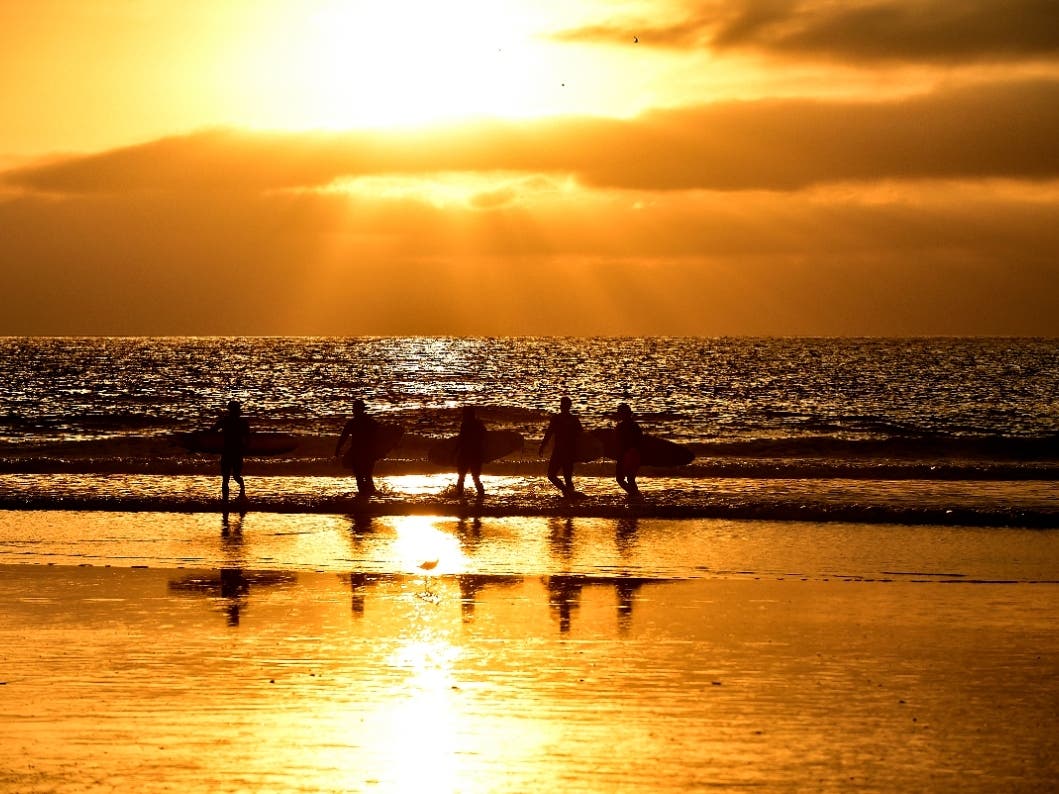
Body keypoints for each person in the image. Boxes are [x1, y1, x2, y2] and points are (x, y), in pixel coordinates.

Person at [539, 396, 583, 496]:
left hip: (560, 452)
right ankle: (569, 493)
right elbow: (582, 437)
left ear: (561, 406)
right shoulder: (573, 419)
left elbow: (549, 433)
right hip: (570, 452)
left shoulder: (557, 418)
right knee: (567, 478)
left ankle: (567, 493)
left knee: (551, 475)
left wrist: (542, 446)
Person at [335, 399, 380, 496]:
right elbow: (382, 435)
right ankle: (370, 496)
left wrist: (337, 449)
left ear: (356, 410)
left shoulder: (353, 423)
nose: (354, 411)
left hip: (359, 452)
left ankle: (364, 496)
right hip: (368, 453)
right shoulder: (370, 422)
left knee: (360, 476)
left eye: (355, 409)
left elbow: (344, 437)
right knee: (367, 475)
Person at [211, 400, 249, 502]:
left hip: (228, 452)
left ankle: (226, 500)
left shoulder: (225, 421)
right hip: (235, 452)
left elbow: (212, 431)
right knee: (234, 476)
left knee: (227, 478)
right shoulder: (242, 422)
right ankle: (241, 493)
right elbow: (248, 438)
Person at [455, 405, 486, 497]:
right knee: (475, 477)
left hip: (465, 453)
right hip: (477, 453)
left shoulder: (465, 425)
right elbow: (485, 438)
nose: (463, 415)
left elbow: (461, 440)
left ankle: (459, 494)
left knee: (461, 477)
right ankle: (481, 494)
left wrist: (455, 451)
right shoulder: (479, 424)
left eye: (464, 413)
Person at [614, 402, 643, 498]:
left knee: (620, 478)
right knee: (630, 478)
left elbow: (617, 442)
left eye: (619, 412)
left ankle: (634, 494)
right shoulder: (635, 426)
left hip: (625, 455)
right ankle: (635, 494)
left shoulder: (620, 427)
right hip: (635, 454)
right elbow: (640, 441)